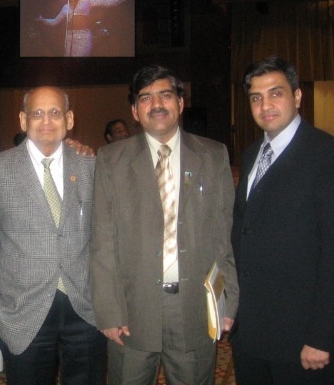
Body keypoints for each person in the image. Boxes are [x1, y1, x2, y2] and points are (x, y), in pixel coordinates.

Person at [90, 65, 238, 385]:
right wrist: (109, 311)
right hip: (132, 310)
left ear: (180, 103)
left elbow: (223, 236)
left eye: (165, 95)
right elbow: (103, 242)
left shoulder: (213, 155)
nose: (156, 104)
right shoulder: (111, 160)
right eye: (146, 98)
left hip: (195, 307)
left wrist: (227, 298)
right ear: (135, 110)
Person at [230, 56, 334, 385]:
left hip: (301, 338)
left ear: (298, 96)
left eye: (276, 93)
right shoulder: (251, 154)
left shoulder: (329, 156)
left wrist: (323, 336)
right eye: (256, 97)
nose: (265, 105)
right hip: (252, 332)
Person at [0, 86, 107, 385]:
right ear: (23, 120)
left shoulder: (91, 166)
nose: (46, 121)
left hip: (85, 309)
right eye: (37, 113)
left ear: (69, 119)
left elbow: (103, 237)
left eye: (54, 112)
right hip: (22, 312)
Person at [36, 0, 134, 57]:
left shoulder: (86, 0)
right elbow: (54, 22)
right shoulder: (66, 7)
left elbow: (106, 3)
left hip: (83, 37)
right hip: (70, 37)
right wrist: (42, 19)